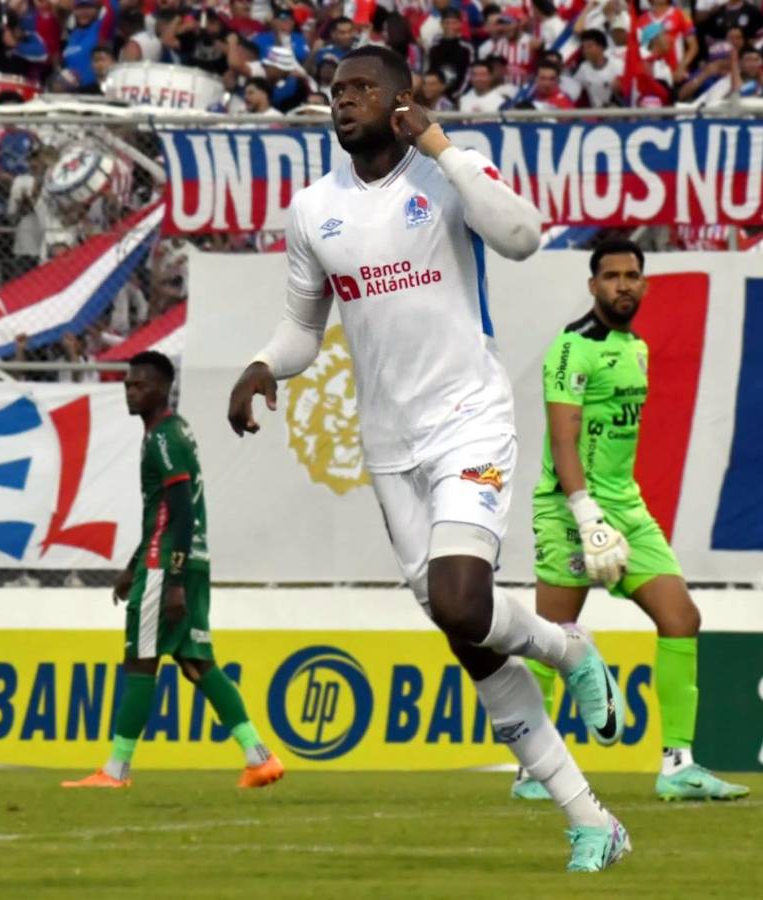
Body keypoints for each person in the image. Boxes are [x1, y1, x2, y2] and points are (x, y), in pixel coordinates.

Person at [227, 45, 630, 873]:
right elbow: (304, 326)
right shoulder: (313, 210)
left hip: (468, 421)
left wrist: (442, 145)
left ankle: (567, 649)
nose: (344, 102)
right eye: (335, 92)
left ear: (403, 98)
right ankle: (591, 818)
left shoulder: (449, 172)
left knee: (459, 597)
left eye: (362, 88)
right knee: (467, 635)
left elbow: (523, 236)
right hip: (388, 445)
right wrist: (266, 365)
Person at [509, 239, 750, 803]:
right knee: (553, 640)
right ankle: (531, 771)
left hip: (628, 509)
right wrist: (585, 511)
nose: (623, 284)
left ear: (644, 284)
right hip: (571, 510)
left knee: (682, 617)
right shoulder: (572, 348)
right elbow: (563, 439)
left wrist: (613, 512)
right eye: (611, 275)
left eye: (632, 275)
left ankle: (679, 765)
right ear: (592, 286)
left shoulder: (636, 348)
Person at [63, 351, 283, 790]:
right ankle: (259, 757)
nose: (130, 390)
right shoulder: (173, 434)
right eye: (128, 384)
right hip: (186, 558)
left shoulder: (164, 438)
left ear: (161, 389)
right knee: (196, 662)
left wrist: (173, 579)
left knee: (141, 661)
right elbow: (165, 512)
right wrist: (131, 566)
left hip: (168, 566)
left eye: (138, 384)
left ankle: (115, 770)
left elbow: (179, 510)